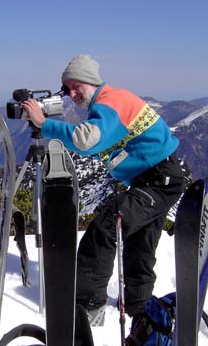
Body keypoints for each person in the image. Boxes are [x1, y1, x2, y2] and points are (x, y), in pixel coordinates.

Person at [21, 53, 187, 321]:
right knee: (140, 245)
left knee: (108, 227)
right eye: (68, 88)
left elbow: (86, 140)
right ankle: (138, 309)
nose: (73, 93)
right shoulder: (109, 102)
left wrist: (44, 123)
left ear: (92, 82)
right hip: (159, 179)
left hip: (159, 180)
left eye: (77, 86)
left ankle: (88, 305)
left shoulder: (111, 103)